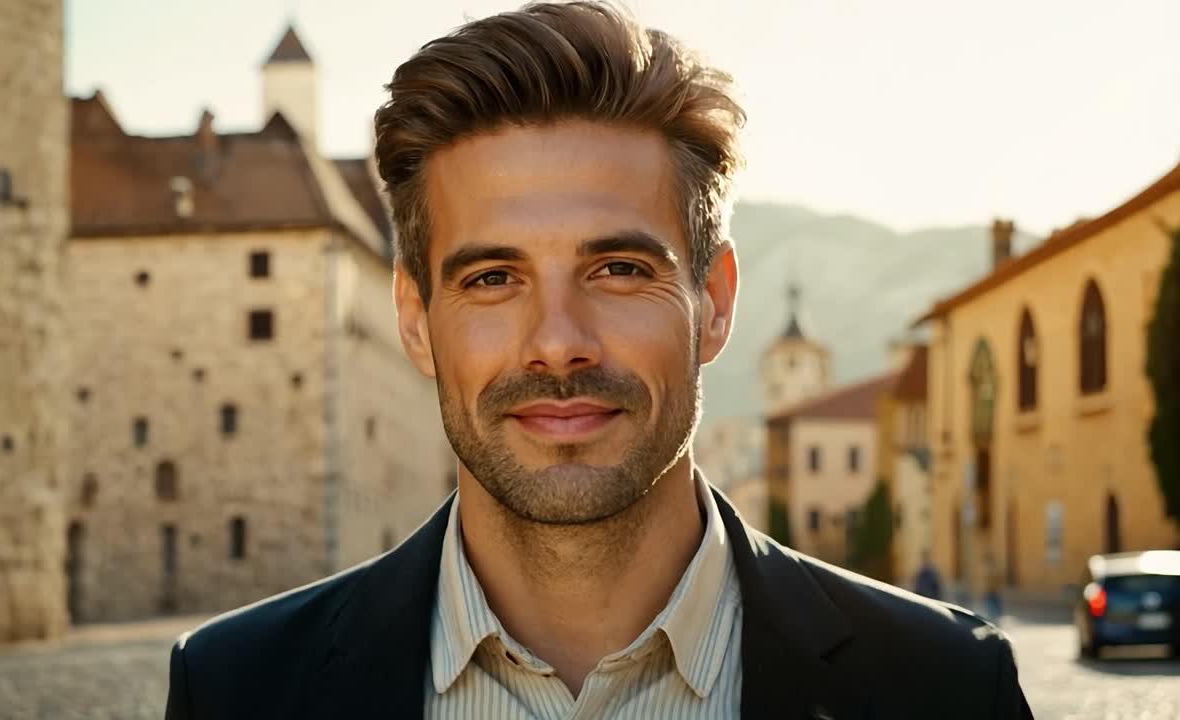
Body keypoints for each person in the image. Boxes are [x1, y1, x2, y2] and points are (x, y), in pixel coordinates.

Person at [164, 3, 1033, 718]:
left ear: (715, 301)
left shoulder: (947, 690)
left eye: (618, 269)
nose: (557, 342)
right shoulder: (237, 691)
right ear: (416, 318)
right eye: (493, 277)